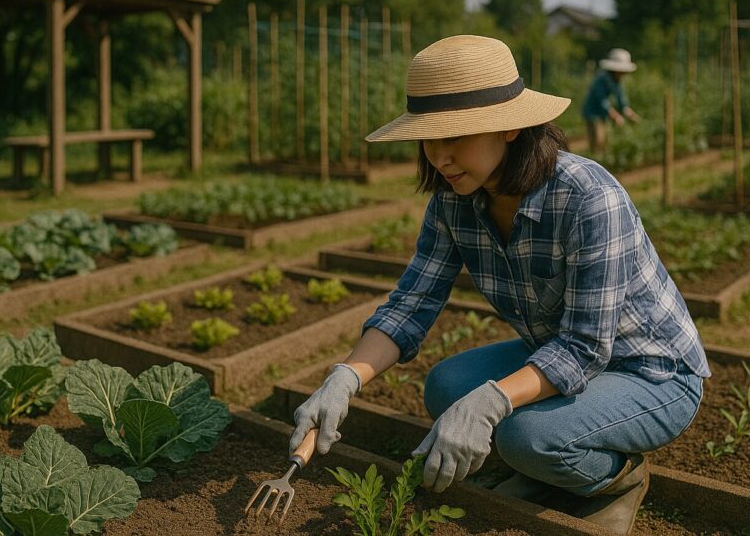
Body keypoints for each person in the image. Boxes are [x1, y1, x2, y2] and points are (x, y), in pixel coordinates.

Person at [289, 35, 708, 535]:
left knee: (529, 438)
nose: (439, 157)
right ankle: (546, 466)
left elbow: (585, 347)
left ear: (510, 127)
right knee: (446, 387)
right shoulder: (453, 203)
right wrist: (346, 377)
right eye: (429, 138)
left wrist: (493, 403)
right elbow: (412, 303)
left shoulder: (588, 197)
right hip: (561, 352)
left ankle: (618, 478)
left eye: (456, 136)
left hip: (651, 371)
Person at [582, 48, 641, 153]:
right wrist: (616, 116)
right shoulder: (601, 79)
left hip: (603, 115)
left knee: (605, 142)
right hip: (593, 113)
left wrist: (631, 115)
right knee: (598, 141)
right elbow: (602, 101)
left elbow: (621, 100)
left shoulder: (617, 81)